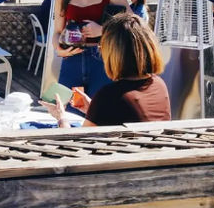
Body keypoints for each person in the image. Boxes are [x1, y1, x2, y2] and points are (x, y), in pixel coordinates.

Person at [41, 13, 171, 127]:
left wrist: (61, 118)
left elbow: (76, 145)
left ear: (113, 53)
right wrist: (93, 108)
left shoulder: (110, 96)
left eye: (102, 46)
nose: (100, 50)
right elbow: (121, 115)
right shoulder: (159, 85)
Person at [53, 0, 131, 99]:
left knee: (101, 115)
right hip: (71, 60)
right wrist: (59, 49)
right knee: (66, 111)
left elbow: (134, 24)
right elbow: (57, 32)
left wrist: (102, 29)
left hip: (104, 60)